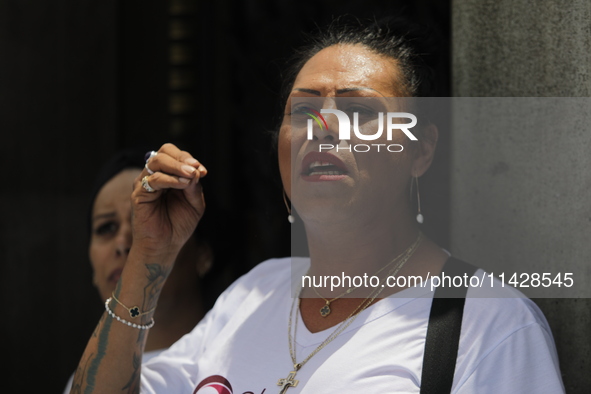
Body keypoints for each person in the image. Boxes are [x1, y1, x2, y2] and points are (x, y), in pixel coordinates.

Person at [70, 16, 564, 393]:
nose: (322, 129)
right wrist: (149, 257)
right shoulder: (253, 296)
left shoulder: (491, 323)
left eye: (358, 110)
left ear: (420, 149)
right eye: (302, 110)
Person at [64, 148, 215, 393]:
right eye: (106, 227)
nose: (124, 243)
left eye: (149, 218)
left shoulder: (233, 358)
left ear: (203, 255)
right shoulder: (82, 382)